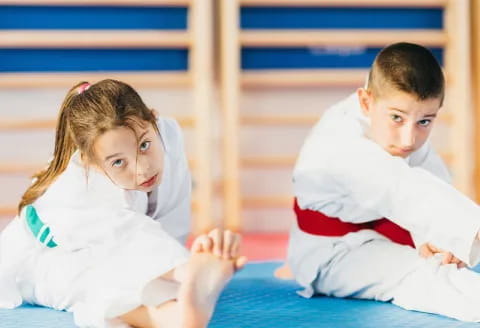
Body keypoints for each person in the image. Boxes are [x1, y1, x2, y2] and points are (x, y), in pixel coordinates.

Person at [0, 79, 246, 328]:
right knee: (90, 283)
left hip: (113, 249)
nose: (143, 169)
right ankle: (174, 317)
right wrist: (186, 268)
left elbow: (171, 213)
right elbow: (126, 235)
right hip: (41, 262)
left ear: (153, 119)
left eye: (144, 145)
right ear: (92, 163)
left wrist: (189, 268)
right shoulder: (74, 190)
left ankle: (183, 305)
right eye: (119, 162)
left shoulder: (167, 133)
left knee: (140, 276)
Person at [287, 42, 480, 321]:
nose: (408, 139)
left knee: (445, 263)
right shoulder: (340, 143)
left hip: (386, 234)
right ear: (366, 102)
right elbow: (403, 189)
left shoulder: (392, 110)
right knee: (427, 276)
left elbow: (429, 178)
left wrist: (440, 240)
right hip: (332, 255)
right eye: (396, 118)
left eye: (425, 121)